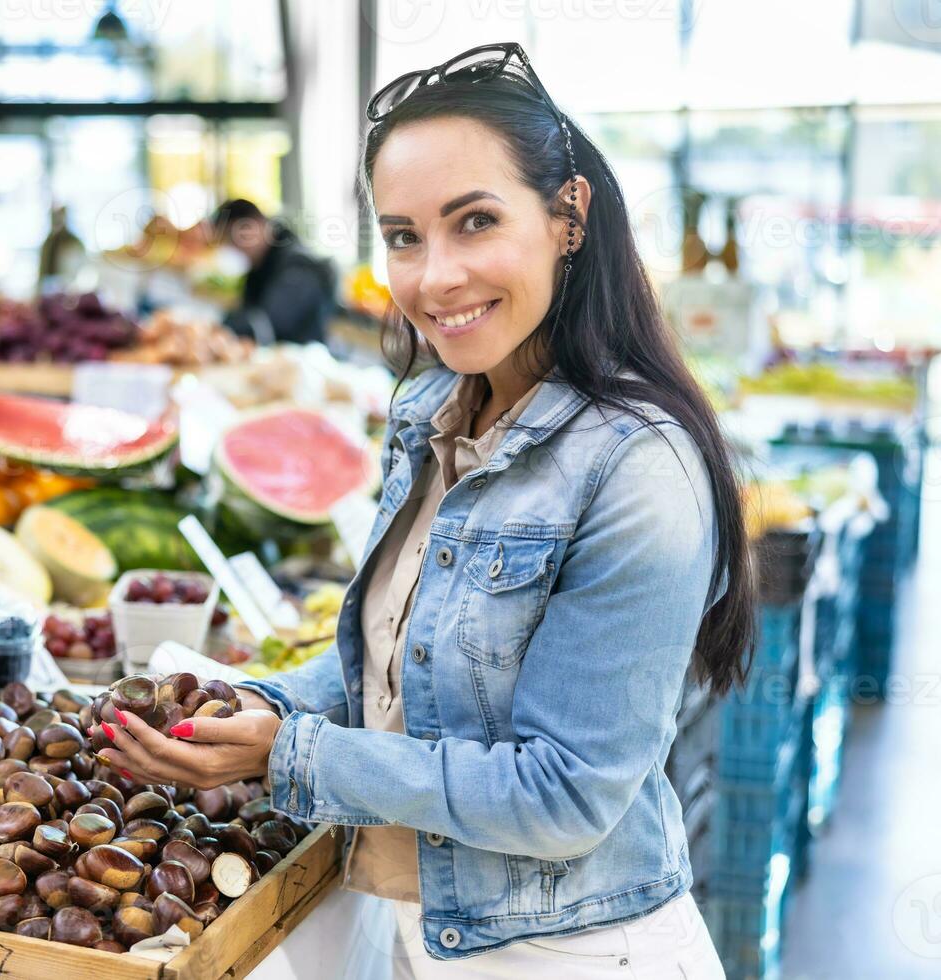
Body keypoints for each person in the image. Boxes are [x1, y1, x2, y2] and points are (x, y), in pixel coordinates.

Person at [95, 43, 751, 977]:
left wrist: (292, 756)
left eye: (474, 221)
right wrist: (259, 707)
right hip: (427, 932)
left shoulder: (638, 466)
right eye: (403, 235)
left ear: (571, 216)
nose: (435, 277)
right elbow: (403, 665)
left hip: (574, 952)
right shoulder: (428, 410)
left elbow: (564, 796)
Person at [212, 198, 336, 345]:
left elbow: (267, 325)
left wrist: (223, 326)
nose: (236, 248)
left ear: (258, 224)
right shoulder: (259, 266)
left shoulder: (297, 267)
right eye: (229, 242)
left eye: (238, 237)